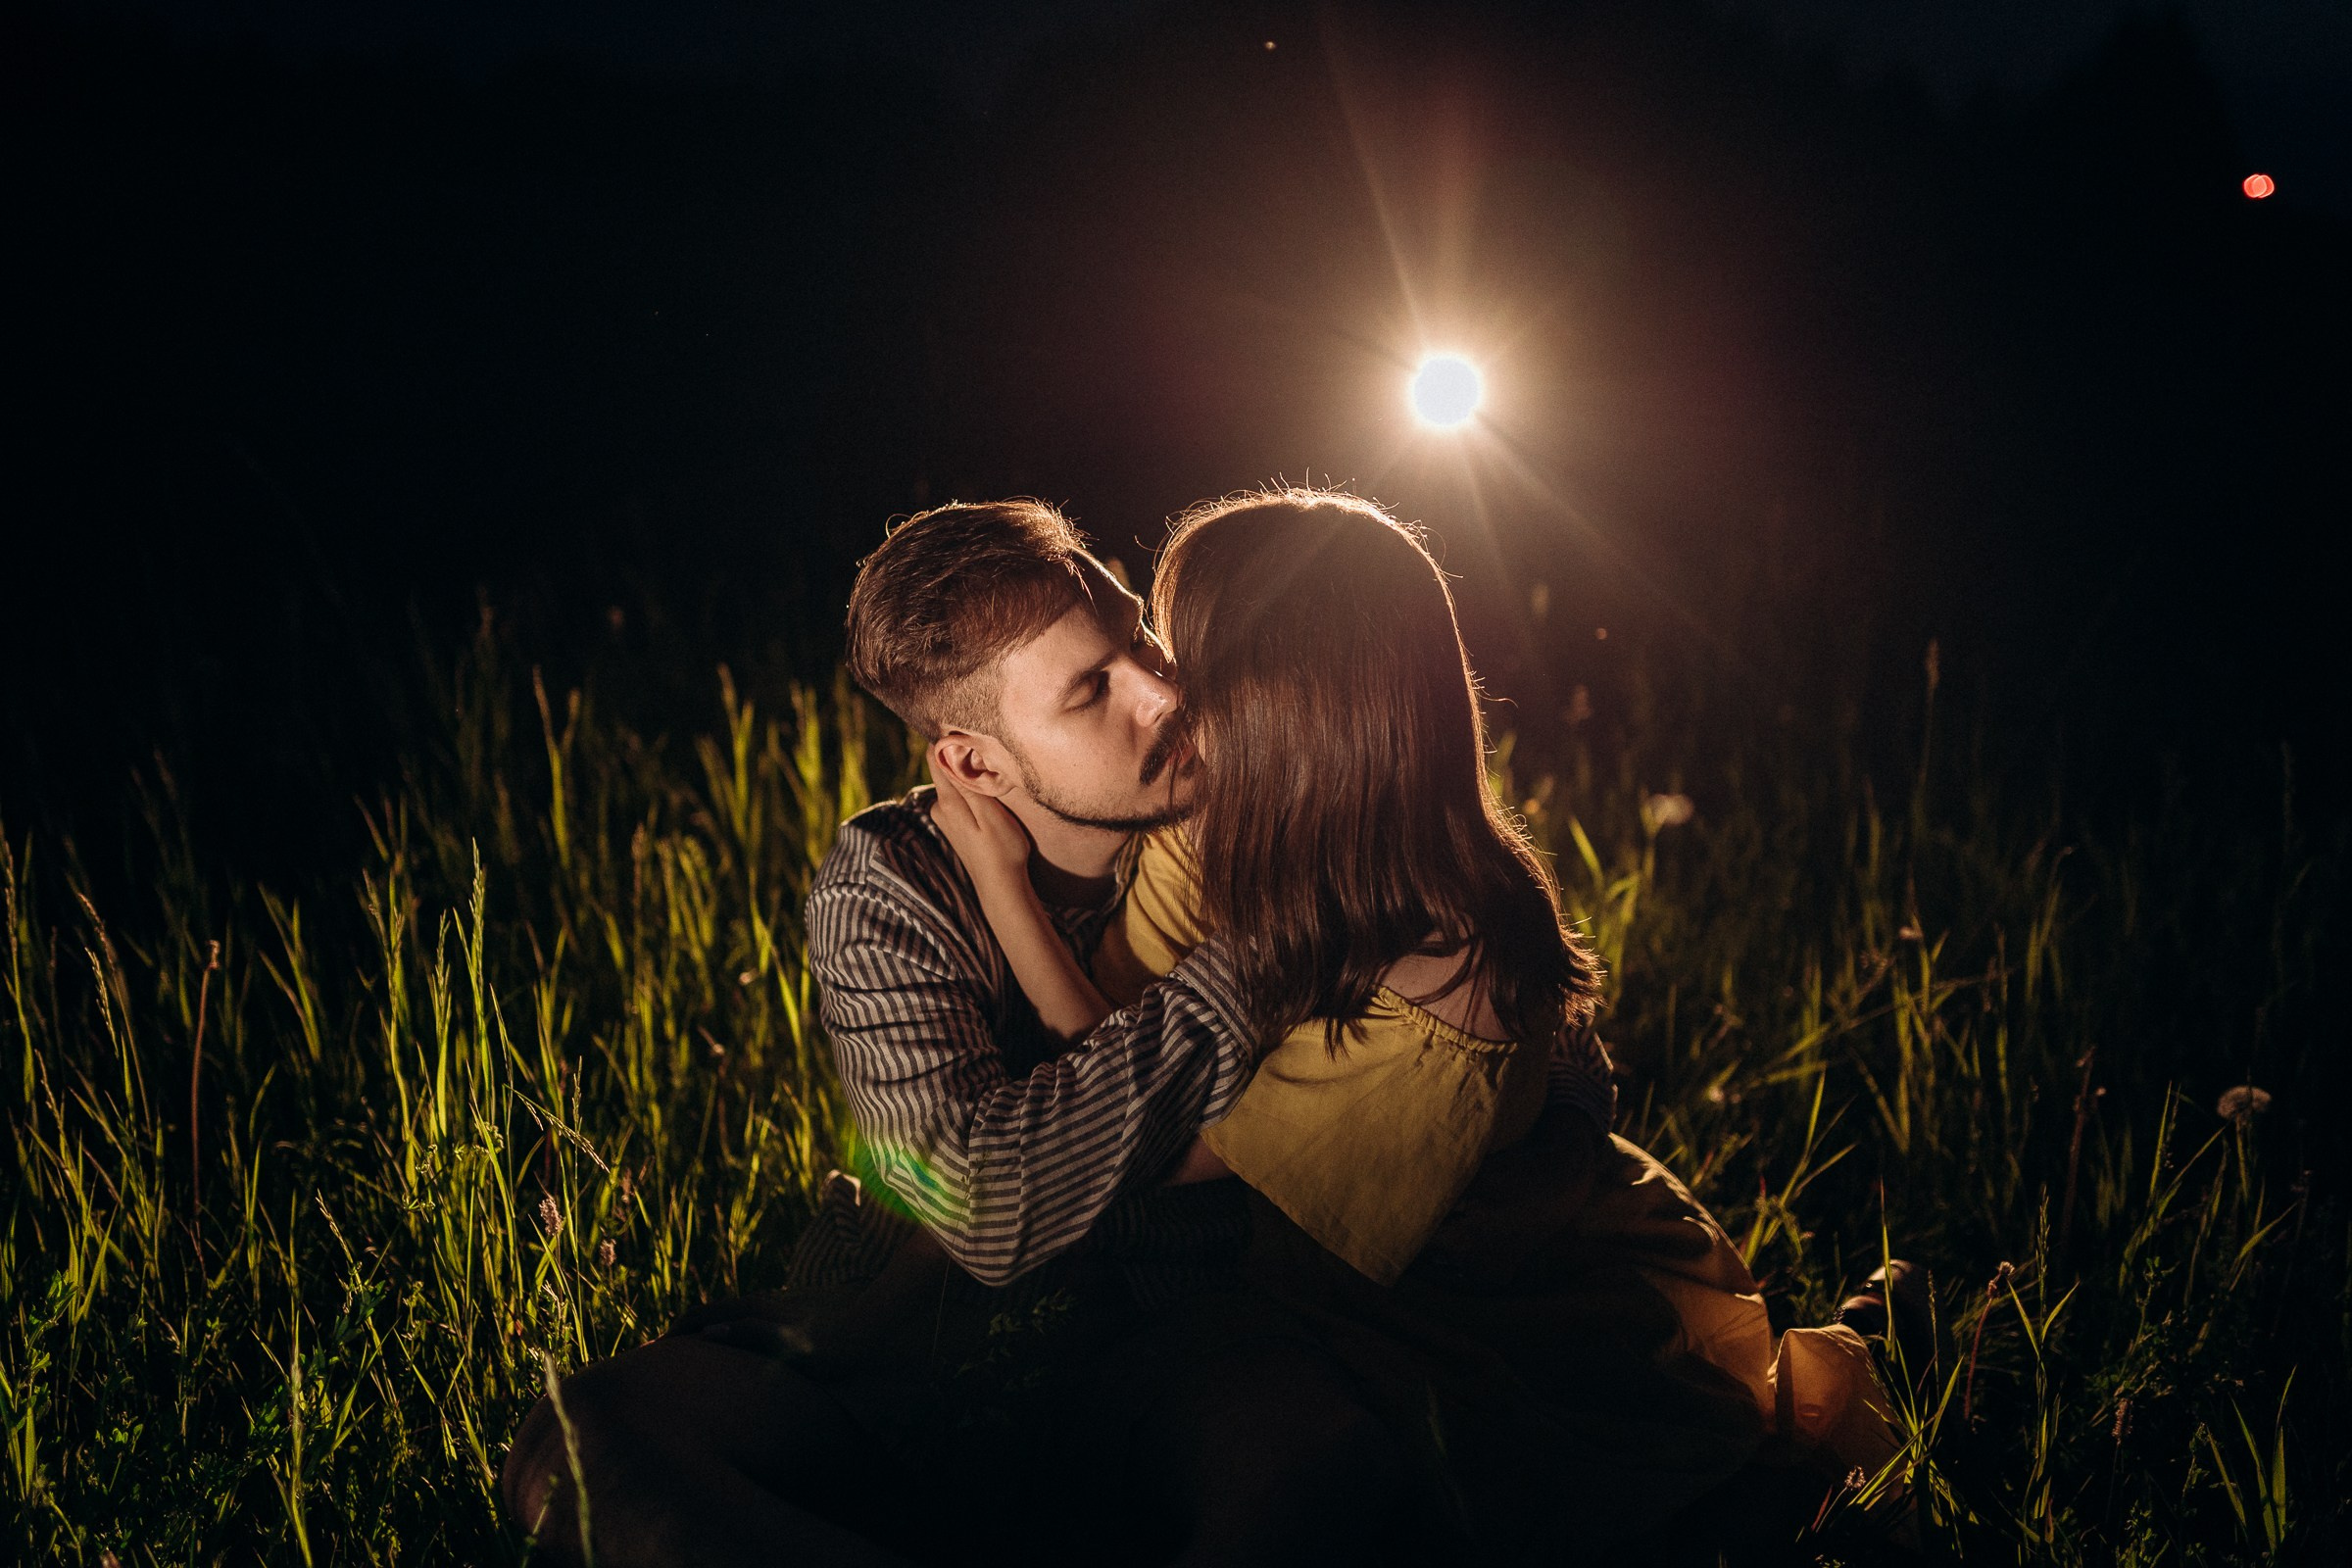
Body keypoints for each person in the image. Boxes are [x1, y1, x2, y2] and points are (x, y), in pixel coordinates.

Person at [926, 489, 1900, 1555]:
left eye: (1182, 659)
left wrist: (1004, 888)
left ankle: (1885, 1327)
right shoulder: (1223, 805)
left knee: (1640, 1473)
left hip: (1438, 1287)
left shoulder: (1452, 977)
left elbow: (1143, 1141)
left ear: (1286, 704)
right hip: (1225, 1226)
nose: (1162, 692)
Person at [501, 500, 1418, 1566]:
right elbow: (980, 1203)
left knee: (1318, 1474)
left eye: (1138, 639)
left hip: (1183, 1322)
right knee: (583, 1444)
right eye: (1091, 691)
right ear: (975, 764)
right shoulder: (891, 886)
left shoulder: (1261, 800)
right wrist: (1258, 962)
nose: (1162, 692)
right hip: (902, 1322)